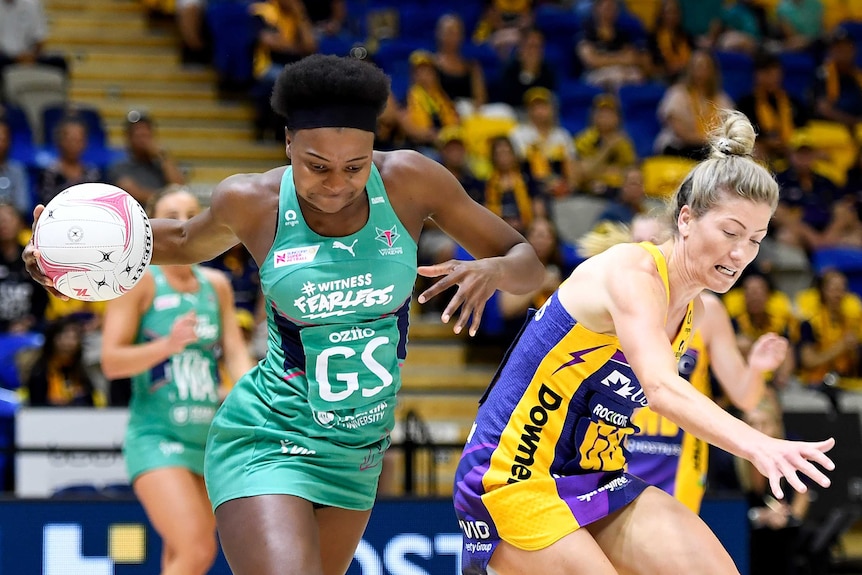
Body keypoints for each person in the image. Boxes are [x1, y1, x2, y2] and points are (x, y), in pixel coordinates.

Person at [24, 54, 544, 575]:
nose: (337, 184)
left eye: (354, 167)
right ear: (289, 143)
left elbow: (528, 262)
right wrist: (67, 252)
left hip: (358, 450)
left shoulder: (411, 179)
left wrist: (495, 270)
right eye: (317, 166)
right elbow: (182, 240)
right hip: (269, 434)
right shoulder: (254, 200)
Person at [452, 109, 835, 575]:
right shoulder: (632, 273)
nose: (740, 254)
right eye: (730, 233)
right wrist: (759, 444)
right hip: (513, 475)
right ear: (688, 219)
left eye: (756, 240)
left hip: (596, 477)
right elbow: (660, 387)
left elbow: (730, 391)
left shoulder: (693, 306)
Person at [577, 216, 789, 513]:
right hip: (612, 448)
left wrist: (755, 367)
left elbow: (745, 397)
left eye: (652, 243)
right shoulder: (614, 299)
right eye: (638, 244)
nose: (645, 252)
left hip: (677, 457)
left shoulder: (708, 310)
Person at [100, 185, 255, 575]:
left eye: (191, 214)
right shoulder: (140, 282)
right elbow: (111, 362)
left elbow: (235, 354)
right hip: (157, 438)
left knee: (182, 555)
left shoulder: (216, 285)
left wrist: (255, 398)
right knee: (197, 548)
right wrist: (167, 345)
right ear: (153, 224)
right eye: (173, 215)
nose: (183, 224)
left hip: (206, 441)